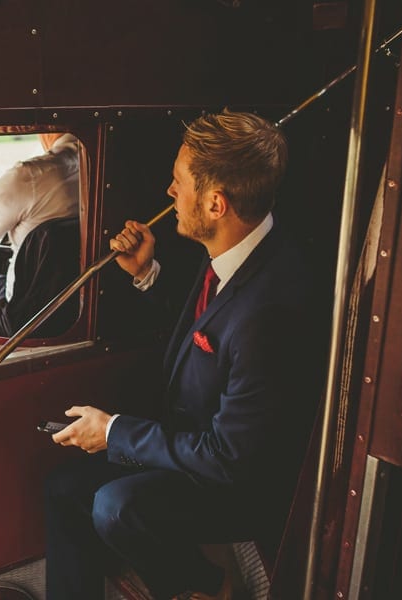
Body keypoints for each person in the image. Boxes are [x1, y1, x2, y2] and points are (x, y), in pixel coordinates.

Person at [44, 110, 322, 599]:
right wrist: (146, 273)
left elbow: (231, 459)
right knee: (65, 488)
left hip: (237, 479)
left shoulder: (272, 310)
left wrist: (112, 432)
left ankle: (205, 585)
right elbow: (207, 323)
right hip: (194, 439)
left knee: (117, 506)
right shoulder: (235, 249)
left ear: (216, 203)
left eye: (179, 183)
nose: (169, 192)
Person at [0, 132, 79, 336]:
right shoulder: (101, 167)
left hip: (21, 318)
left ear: (45, 128)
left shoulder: (30, 174)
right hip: (77, 308)